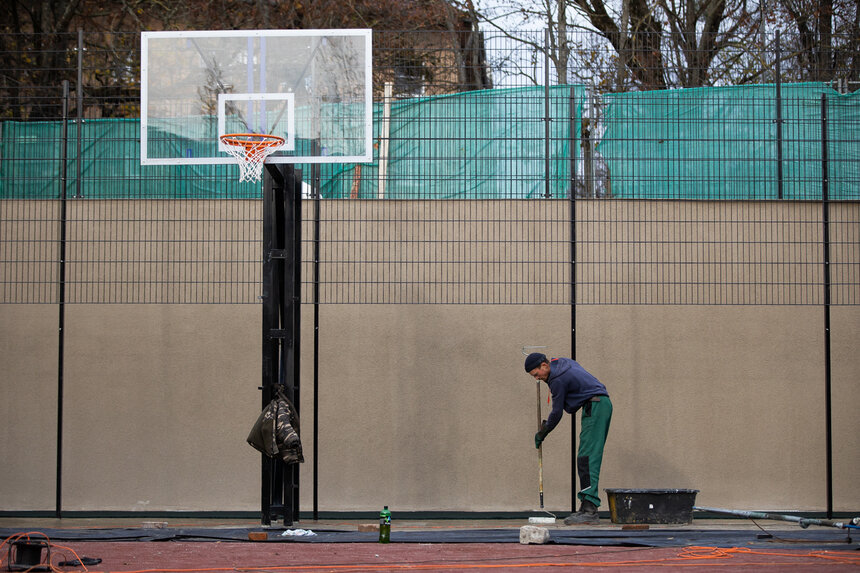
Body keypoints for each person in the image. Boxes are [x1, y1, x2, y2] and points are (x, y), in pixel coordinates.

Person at [524, 352, 612, 525]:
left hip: (595, 406)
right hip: (598, 404)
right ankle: (586, 506)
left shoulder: (557, 379)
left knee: (586, 458)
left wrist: (543, 432)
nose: (537, 379)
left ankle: (589, 511)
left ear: (544, 365)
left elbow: (557, 413)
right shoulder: (560, 363)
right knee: (586, 457)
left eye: (536, 374)